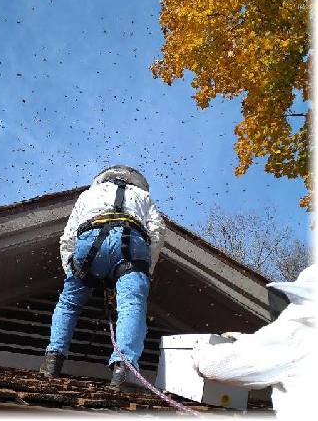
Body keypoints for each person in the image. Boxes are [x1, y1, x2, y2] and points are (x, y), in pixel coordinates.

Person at [40, 165, 166, 390]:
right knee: (131, 304)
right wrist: (146, 268)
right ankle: (123, 370)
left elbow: (68, 237)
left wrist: (71, 268)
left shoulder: (88, 195)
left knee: (69, 302)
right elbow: (157, 232)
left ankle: (53, 361)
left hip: (89, 241)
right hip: (131, 242)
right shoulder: (143, 196)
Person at [192, 264, 317, 419]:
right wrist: (244, 338)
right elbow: (276, 350)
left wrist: (200, 352)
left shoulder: (302, 328)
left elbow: (220, 368)